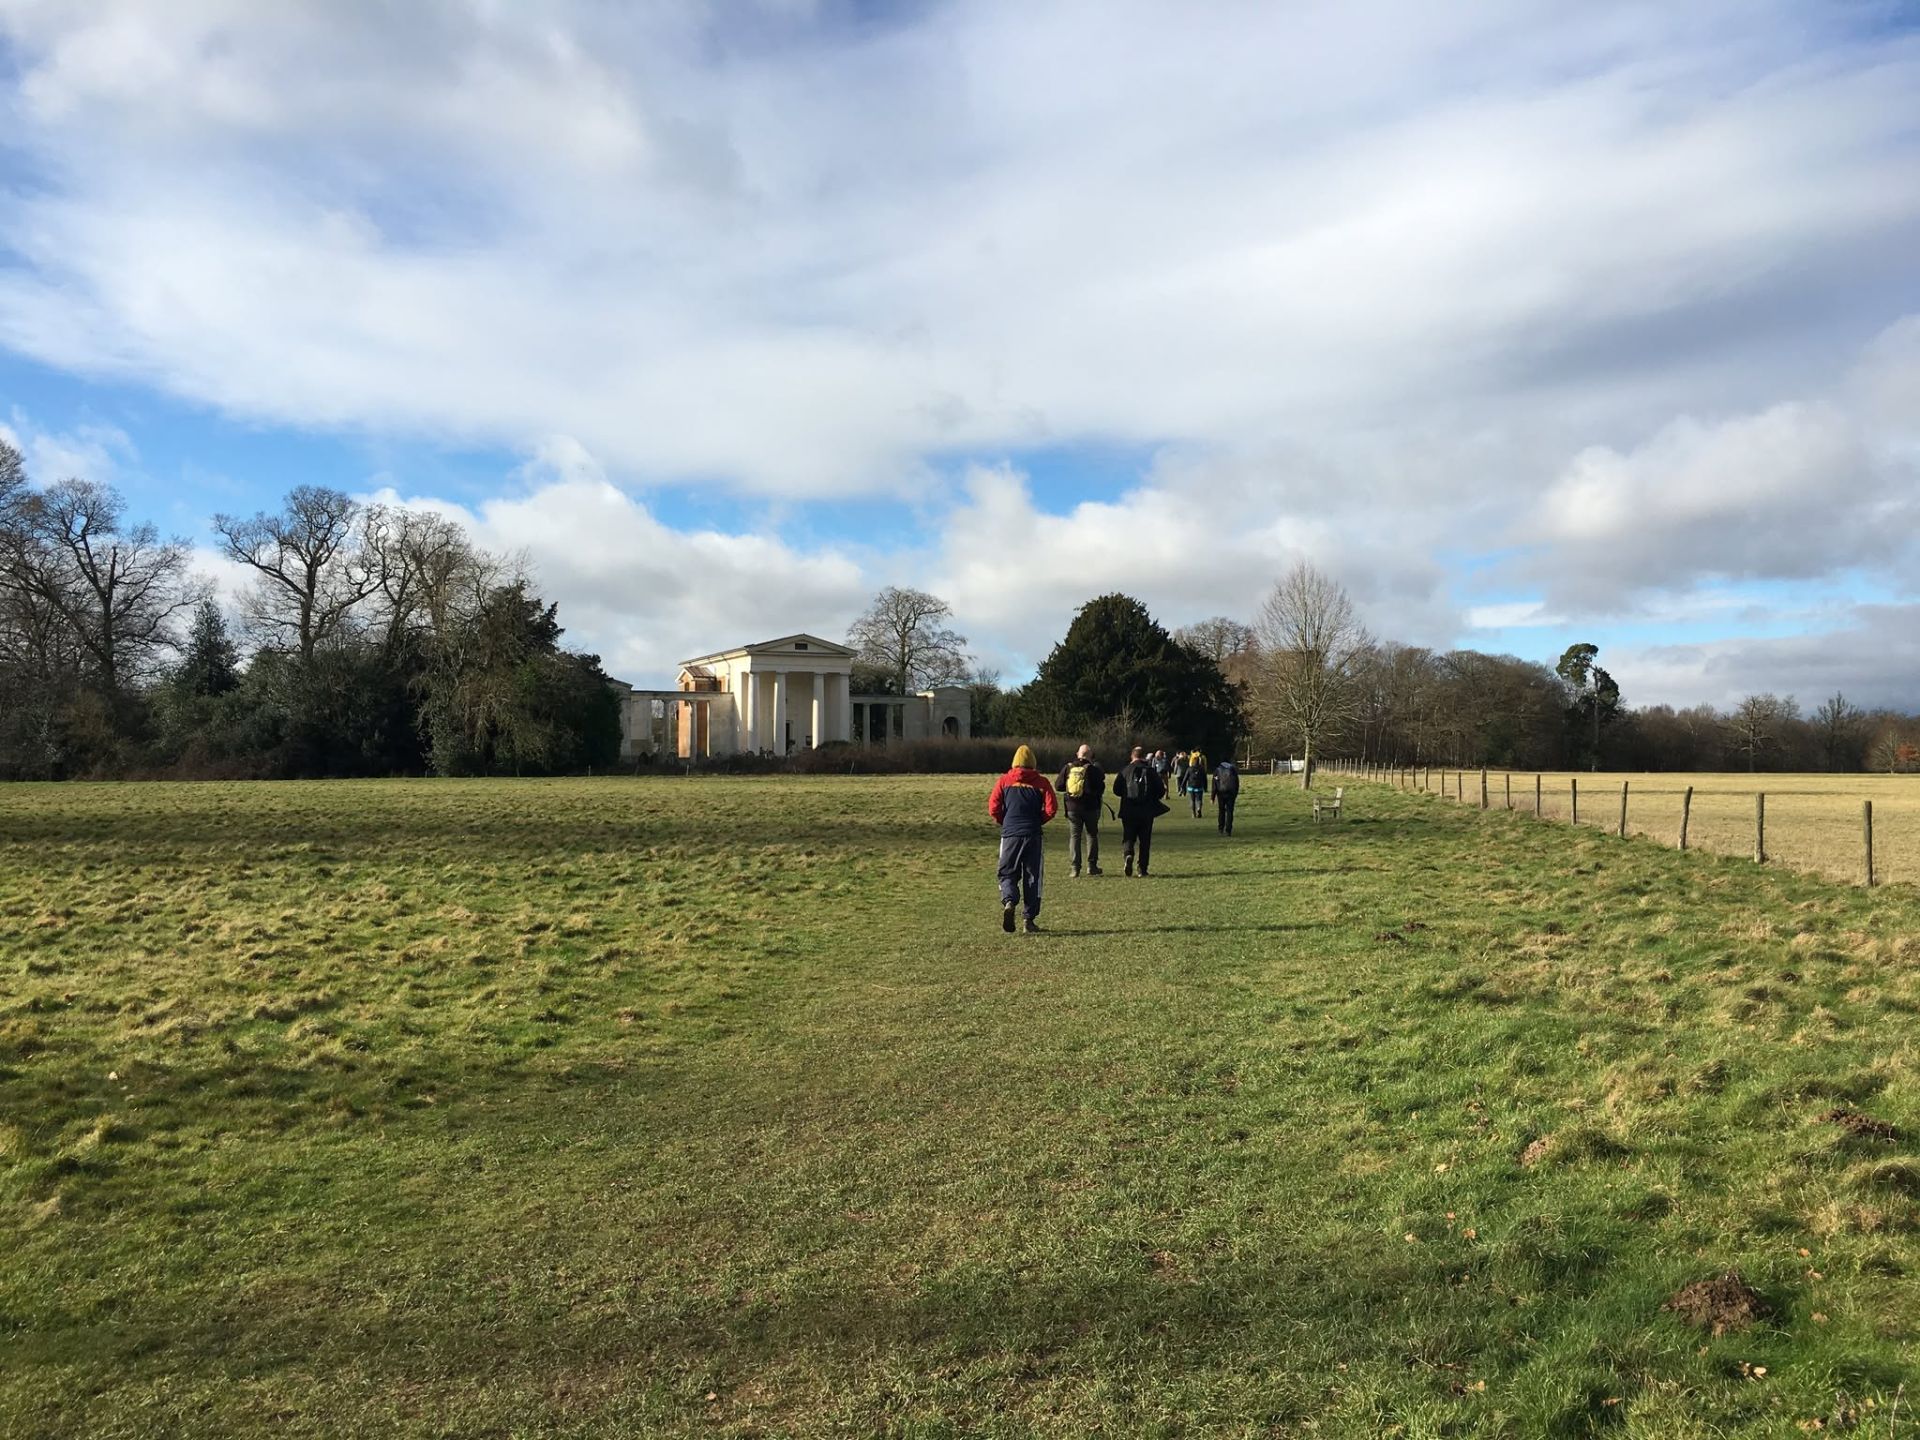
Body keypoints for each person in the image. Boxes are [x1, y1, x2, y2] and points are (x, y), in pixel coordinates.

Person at [988, 743, 1058, 932]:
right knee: (1033, 876)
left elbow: (993, 807)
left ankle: (1009, 901)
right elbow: (1052, 809)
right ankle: (1029, 919)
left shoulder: (1004, 781)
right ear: (1033, 763)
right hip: (1033, 835)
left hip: (1010, 835)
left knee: (1007, 872)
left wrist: (1004, 821)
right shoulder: (1041, 782)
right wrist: (1038, 821)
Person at [1114, 744, 1167, 877]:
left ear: (1132, 756)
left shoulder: (1125, 770)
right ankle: (1142, 869)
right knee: (1145, 841)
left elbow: (1116, 789)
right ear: (1144, 757)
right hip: (1146, 811)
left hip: (1128, 810)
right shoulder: (1150, 771)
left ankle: (1128, 854)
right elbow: (1161, 790)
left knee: (1128, 837)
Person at [1056, 743, 1106, 878]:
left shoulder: (1068, 767)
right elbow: (1101, 787)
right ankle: (1092, 866)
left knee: (1075, 836)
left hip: (1072, 808)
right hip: (1090, 808)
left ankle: (1075, 868)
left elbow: (1058, 786)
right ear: (1090, 756)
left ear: (1077, 754)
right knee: (1091, 835)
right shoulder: (1093, 769)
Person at [1212, 755, 1241, 835]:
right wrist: (1235, 793)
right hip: (1231, 793)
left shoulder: (1217, 770)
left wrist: (1213, 796)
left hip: (1221, 792)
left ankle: (1221, 828)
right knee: (1230, 811)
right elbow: (1236, 782)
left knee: (1221, 810)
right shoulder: (1232, 769)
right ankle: (1228, 830)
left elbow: (1214, 784)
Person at [1185, 749, 1208, 818]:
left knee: (1192, 800)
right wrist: (1205, 787)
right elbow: (1204, 779)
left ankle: (1193, 813)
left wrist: (1182, 786)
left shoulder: (1189, 769)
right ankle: (1199, 809)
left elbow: (1185, 778)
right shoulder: (1202, 769)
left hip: (1191, 786)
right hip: (1199, 786)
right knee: (1199, 799)